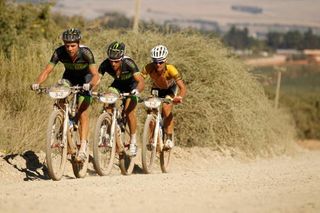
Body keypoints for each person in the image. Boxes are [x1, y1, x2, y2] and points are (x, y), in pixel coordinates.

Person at [31, 28, 100, 162]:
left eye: (73, 45)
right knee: (59, 96)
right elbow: (47, 70)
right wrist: (37, 83)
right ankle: (65, 123)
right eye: (67, 45)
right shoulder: (59, 52)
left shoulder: (86, 53)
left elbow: (95, 74)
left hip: (86, 80)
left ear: (78, 43)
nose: (69, 48)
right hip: (69, 77)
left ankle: (83, 146)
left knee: (83, 112)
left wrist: (90, 85)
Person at [98, 41, 144, 156]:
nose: (113, 64)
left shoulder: (129, 63)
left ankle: (133, 141)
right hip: (118, 85)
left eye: (116, 61)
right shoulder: (105, 64)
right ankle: (108, 130)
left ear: (122, 58)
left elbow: (141, 82)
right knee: (107, 100)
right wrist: (90, 88)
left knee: (129, 112)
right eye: (111, 60)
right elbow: (97, 80)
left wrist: (136, 91)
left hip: (132, 87)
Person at [140, 44, 187, 149]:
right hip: (156, 89)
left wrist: (179, 97)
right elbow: (138, 80)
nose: (158, 65)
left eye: (160, 62)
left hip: (170, 90)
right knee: (150, 110)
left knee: (166, 109)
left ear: (165, 60)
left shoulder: (171, 69)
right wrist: (135, 91)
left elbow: (183, 87)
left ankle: (169, 138)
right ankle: (152, 138)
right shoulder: (148, 67)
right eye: (155, 62)